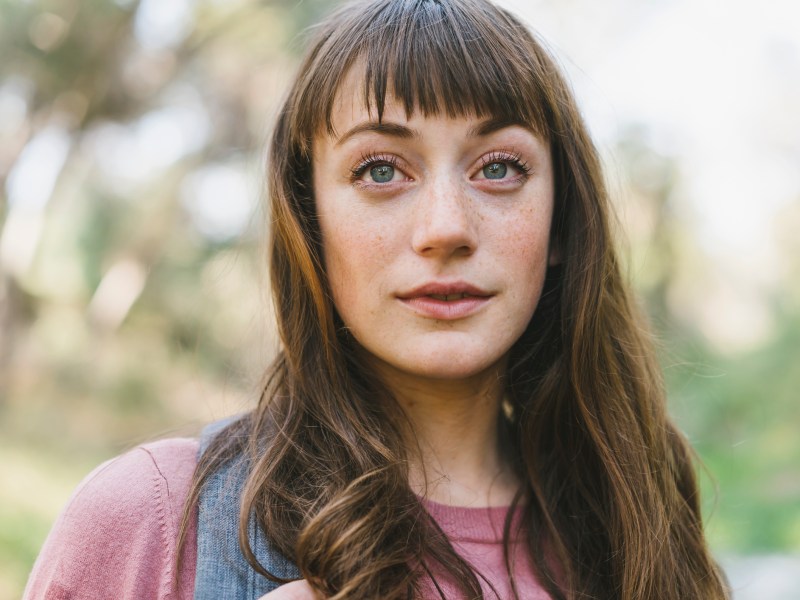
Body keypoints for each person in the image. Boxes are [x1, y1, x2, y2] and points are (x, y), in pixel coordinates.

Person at [23, 0, 731, 598]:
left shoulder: (642, 529)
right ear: (310, 220)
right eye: (382, 170)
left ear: (560, 223)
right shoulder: (151, 522)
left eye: (499, 168)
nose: (446, 227)